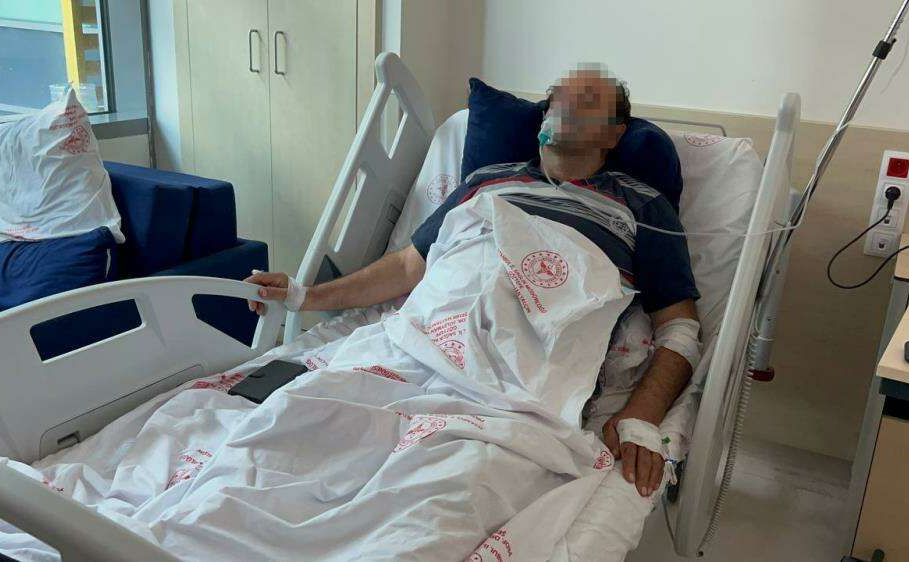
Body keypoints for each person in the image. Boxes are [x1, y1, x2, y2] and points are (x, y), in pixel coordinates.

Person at [246, 66, 701, 498]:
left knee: (439, 491)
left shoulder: (640, 207)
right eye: (558, 96)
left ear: (615, 133)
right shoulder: (485, 182)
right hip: (412, 350)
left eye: (585, 100)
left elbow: (680, 327)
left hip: (518, 386)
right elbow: (407, 267)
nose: (564, 104)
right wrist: (303, 295)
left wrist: (641, 416)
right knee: (281, 434)